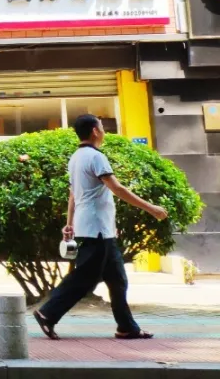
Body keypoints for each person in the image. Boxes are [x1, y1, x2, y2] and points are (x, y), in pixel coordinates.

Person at [33, 114, 168, 340]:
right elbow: (117, 188)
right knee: (84, 278)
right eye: (102, 127)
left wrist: (69, 223)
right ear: (95, 131)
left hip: (99, 229)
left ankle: (127, 327)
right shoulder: (96, 157)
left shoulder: (76, 158)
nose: (104, 131)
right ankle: (48, 313)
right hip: (96, 229)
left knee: (118, 280)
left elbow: (73, 194)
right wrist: (151, 208)